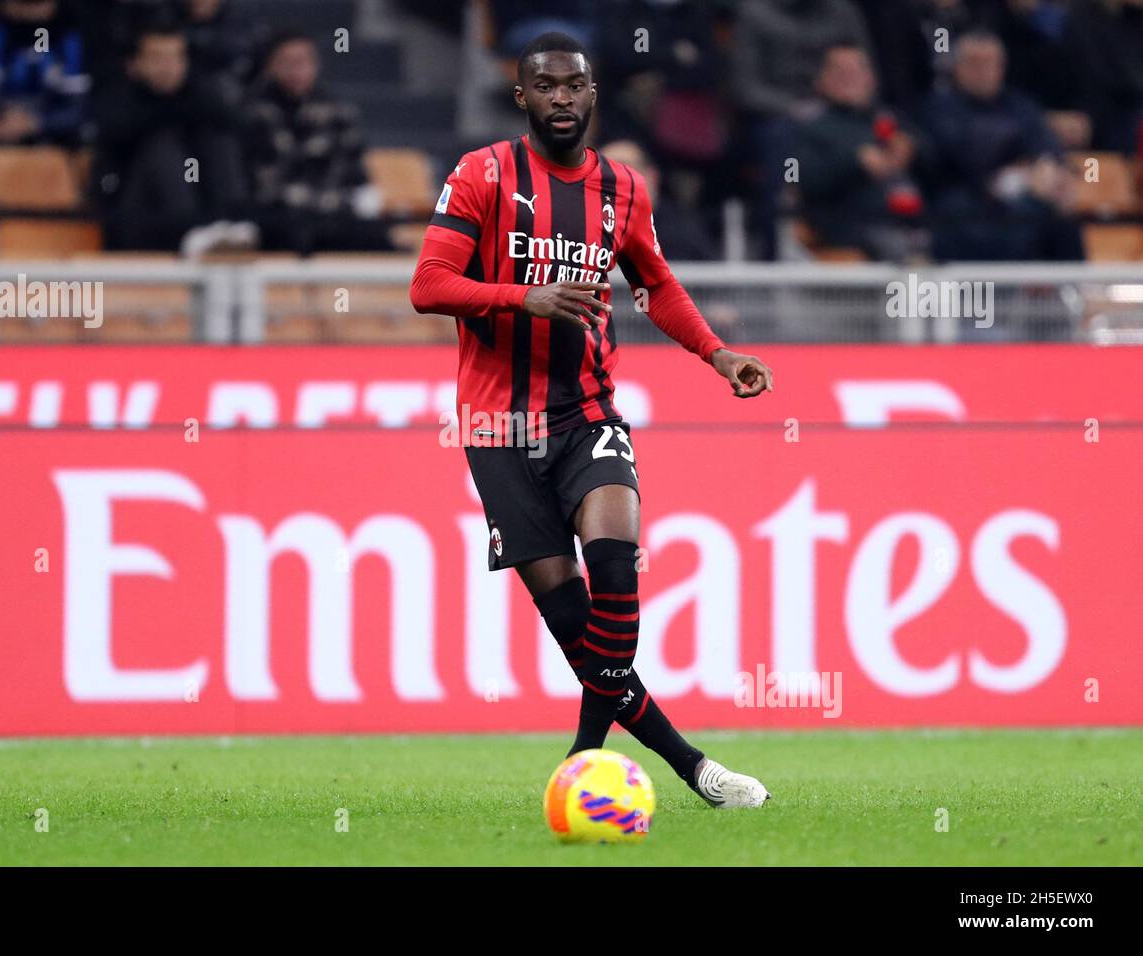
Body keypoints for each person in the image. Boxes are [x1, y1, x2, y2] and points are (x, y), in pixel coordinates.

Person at [410, 33, 773, 810]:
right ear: (522, 98)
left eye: (575, 86)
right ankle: (691, 766)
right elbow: (429, 284)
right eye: (545, 87)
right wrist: (522, 297)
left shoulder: (624, 190)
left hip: (586, 410)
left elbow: (657, 283)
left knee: (615, 568)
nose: (562, 99)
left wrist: (716, 354)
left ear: (593, 93)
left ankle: (584, 760)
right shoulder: (482, 174)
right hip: (498, 427)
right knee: (575, 623)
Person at [918, 29, 1083, 261]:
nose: (983, 71)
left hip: (1024, 201)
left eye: (990, 63)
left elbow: (1047, 147)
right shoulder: (938, 108)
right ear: (957, 68)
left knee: (1058, 216)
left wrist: (1052, 169)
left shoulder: (1021, 106)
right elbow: (964, 156)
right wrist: (1020, 176)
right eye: (974, 63)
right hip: (963, 203)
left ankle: (1077, 291)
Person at [92, 23, 255, 254]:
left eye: (174, 58)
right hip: (140, 220)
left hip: (203, 212)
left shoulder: (200, 97)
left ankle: (233, 226)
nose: (166, 67)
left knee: (218, 142)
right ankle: (191, 231)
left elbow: (231, 121)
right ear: (134, 65)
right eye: (156, 58)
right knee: (160, 145)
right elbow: (117, 136)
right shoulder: (119, 101)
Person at [243, 31, 390, 254]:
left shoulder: (340, 113)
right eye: (287, 62)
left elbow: (355, 177)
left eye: (303, 61)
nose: (296, 69)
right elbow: (260, 185)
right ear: (271, 66)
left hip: (332, 217)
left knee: (380, 239)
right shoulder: (251, 114)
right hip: (277, 219)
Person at [793, 43, 931, 261]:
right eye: (840, 72)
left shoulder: (889, 117)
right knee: (896, 247)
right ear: (821, 79)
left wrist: (911, 150)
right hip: (841, 224)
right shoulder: (807, 123)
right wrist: (855, 163)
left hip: (906, 219)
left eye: (857, 70)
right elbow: (799, 177)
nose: (850, 78)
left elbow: (934, 158)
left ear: (871, 78)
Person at [0, 0, 89, 145]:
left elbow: (77, 108)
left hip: (47, 132)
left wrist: (35, 123)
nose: (31, 8)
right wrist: (10, 120)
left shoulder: (63, 32)